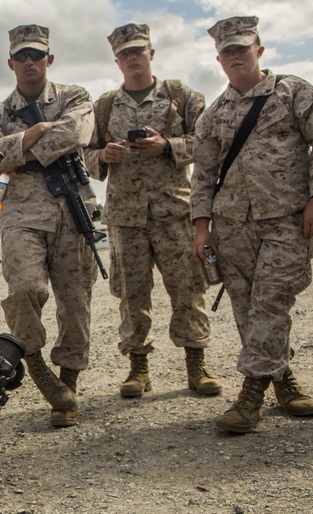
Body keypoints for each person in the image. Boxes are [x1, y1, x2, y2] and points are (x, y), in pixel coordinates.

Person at [191, 16, 313, 432]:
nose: (235, 56)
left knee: (272, 300)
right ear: (218, 59)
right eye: (227, 51)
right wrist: (202, 228)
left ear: (259, 50)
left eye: (242, 48)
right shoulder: (213, 116)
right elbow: (202, 175)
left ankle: (250, 397)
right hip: (232, 224)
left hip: (288, 220)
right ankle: (284, 381)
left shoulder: (295, 93)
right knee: (246, 307)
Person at [84, 23, 221, 399]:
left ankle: (197, 364)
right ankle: (138, 368)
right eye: (125, 53)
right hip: (127, 218)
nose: (133, 57)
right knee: (131, 295)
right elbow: (87, 154)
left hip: (175, 211)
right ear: (117, 60)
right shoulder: (105, 105)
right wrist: (103, 156)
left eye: (139, 50)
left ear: (151, 53)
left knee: (187, 290)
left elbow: (209, 144)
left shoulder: (182, 96)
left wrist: (168, 146)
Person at [0, 25, 99, 427]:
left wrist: (22, 148)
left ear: (49, 59)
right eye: (21, 56)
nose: (29, 62)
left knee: (76, 303)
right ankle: (39, 369)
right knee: (26, 288)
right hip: (21, 213)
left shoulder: (75, 97)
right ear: (10, 63)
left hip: (72, 209)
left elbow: (77, 132)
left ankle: (68, 388)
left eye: (37, 55)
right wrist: (35, 132)